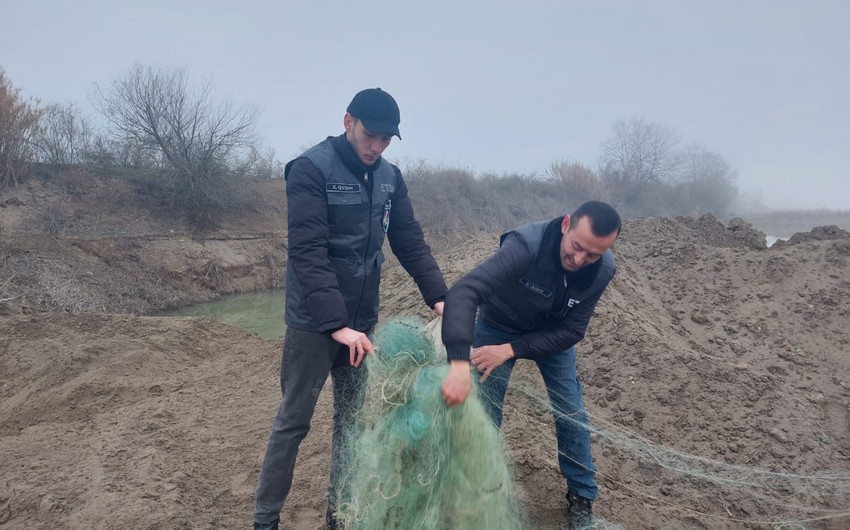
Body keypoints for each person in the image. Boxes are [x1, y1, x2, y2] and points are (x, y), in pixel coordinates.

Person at [254, 88, 447, 530]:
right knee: (293, 422)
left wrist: (440, 296)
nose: (376, 147)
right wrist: (336, 324)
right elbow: (308, 253)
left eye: (386, 140)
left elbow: (409, 241)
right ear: (348, 122)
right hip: (313, 323)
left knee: (352, 425)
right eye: (370, 135)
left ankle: (339, 516)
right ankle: (265, 520)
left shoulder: (390, 178)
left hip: (362, 324)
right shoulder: (310, 170)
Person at [440, 201, 621, 530]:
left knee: (571, 411)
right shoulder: (525, 246)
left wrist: (512, 350)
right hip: (497, 326)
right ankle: (481, 487)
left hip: (552, 332)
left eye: (592, 255)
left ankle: (581, 496)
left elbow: (573, 330)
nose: (580, 260)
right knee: (484, 411)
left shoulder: (604, 270)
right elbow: (463, 294)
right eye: (577, 247)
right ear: (566, 224)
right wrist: (458, 364)